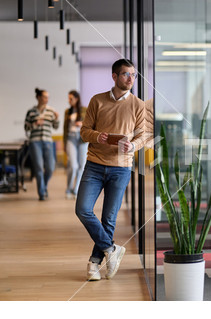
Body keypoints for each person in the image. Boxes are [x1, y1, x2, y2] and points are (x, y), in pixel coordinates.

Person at [76, 59, 153, 281]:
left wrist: (134, 145)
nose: (131, 79)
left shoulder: (138, 105)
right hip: (95, 164)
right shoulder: (97, 100)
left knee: (109, 218)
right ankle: (111, 249)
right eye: (126, 74)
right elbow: (84, 131)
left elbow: (143, 135)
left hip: (121, 167)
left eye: (133, 75)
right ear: (114, 76)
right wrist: (96, 135)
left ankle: (94, 263)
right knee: (82, 209)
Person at [24, 88, 60, 201]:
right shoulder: (31, 111)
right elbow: (26, 127)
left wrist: (57, 119)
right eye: (44, 97)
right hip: (35, 142)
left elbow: (55, 126)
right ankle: (42, 193)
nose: (46, 99)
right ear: (38, 97)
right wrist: (35, 123)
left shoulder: (51, 111)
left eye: (48, 97)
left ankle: (43, 187)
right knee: (39, 167)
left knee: (50, 167)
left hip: (48, 141)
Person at [63, 90, 88, 199]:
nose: (69, 101)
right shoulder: (67, 111)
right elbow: (64, 128)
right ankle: (68, 188)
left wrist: (82, 124)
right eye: (69, 99)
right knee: (73, 165)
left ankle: (76, 188)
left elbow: (91, 124)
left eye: (71, 99)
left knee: (82, 166)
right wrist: (64, 143)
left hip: (82, 139)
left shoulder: (85, 110)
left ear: (76, 99)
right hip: (71, 138)